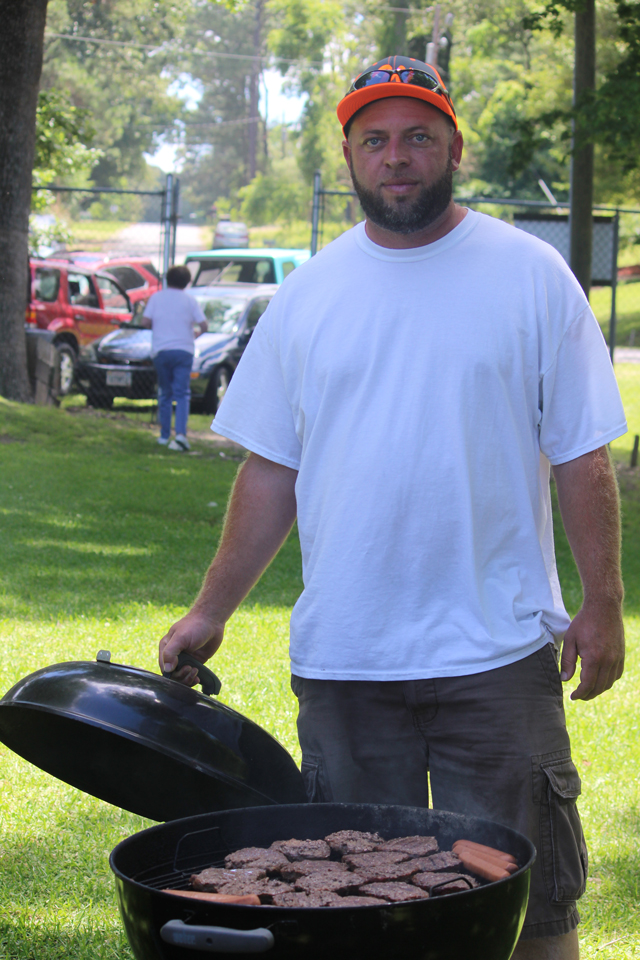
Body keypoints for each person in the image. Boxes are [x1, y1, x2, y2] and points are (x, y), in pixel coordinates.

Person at [158, 56, 627, 959]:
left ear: (454, 144)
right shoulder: (306, 297)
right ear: (348, 158)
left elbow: (581, 453)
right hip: (346, 663)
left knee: (527, 908)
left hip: (493, 657)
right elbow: (270, 471)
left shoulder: (530, 276)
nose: (397, 156)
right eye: (375, 139)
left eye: (418, 136)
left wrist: (601, 600)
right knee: (349, 917)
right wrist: (210, 610)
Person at [142, 264, 207, 451]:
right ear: (187, 282)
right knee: (182, 393)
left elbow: (145, 321)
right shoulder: (190, 301)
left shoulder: (156, 298)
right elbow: (204, 325)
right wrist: (194, 334)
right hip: (184, 349)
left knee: (165, 393)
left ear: (167, 279)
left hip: (161, 349)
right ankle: (180, 434)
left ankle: (164, 435)